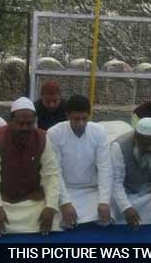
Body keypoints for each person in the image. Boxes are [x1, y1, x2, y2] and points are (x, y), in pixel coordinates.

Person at [0, 97, 61, 235]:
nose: (25, 127)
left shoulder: (43, 138)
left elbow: (51, 174)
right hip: (4, 200)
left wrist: (50, 207)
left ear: (35, 122)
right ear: (11, 121)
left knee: (56, 216)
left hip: (30, 200)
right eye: (20, 123)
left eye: (29, 123)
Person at [47, 95, 112, 229]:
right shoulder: (55, 133)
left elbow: (105, 168)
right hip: (64, 189)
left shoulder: (99, 132)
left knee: (113, 208)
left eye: (84, 119)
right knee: (52, 215)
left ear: (89, 115)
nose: (81, 123)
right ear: (67, 116)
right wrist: (65, 202)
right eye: (76, 119)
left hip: (91, 190)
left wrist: (104, 201)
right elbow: (54, 171)